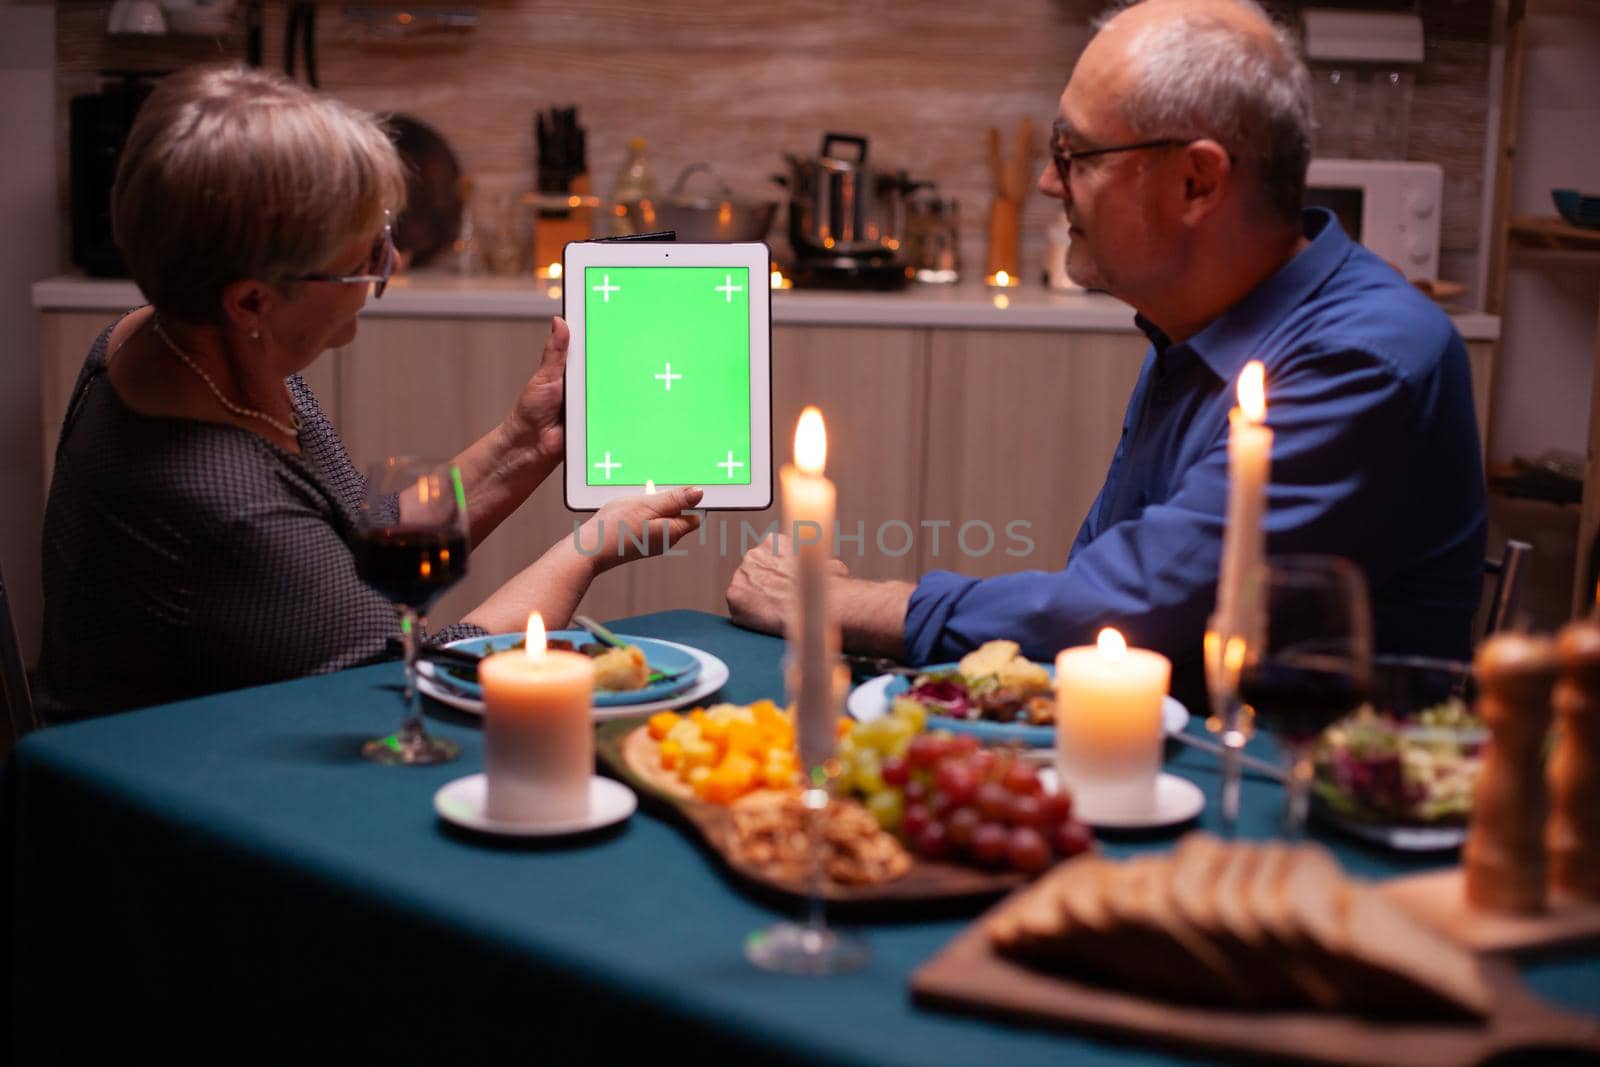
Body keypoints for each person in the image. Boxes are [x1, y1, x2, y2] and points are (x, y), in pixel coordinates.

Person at [727, 0, 1486, 705]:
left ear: (1196, 181)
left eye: (1074, 153)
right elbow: (1095, 600)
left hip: (1295, 808)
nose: (1046, 182)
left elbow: (1124, 604)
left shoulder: (1363, 360)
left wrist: (838, 602)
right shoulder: (1195, 323)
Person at [37, 65, 700, 722]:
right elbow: (417, 689)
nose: (393, 266)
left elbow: (357, 542)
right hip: (176, 799)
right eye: (364, 263)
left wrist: (521, 443)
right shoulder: (226, 506)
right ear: (252, 301)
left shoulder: (179, 340)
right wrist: (585, 550)